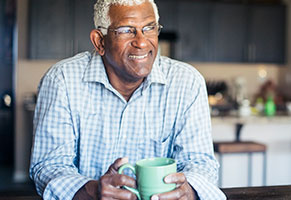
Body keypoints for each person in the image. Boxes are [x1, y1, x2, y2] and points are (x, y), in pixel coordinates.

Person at [29, 0, 225, 199]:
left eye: (149, 28)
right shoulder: (62, 80)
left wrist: (188, 190)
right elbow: (48, 166)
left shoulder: (187, 83)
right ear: (100, 41)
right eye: (125, 30)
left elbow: (201, 163)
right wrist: (92, 191)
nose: (141, 42)